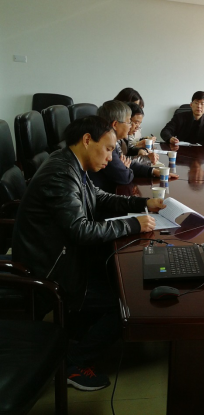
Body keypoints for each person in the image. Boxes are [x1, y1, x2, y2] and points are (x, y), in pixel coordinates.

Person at [12, 116, 164, 391]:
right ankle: (72, 363)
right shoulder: (61, 173)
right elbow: (80, 230)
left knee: (118, 278)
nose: (111, 157)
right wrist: (134, 223)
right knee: (127, 305)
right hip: (51, 269)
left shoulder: (70, 163)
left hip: (61, 256)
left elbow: (99, 197)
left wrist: (144, 203)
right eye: (108, 149)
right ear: (86, 140)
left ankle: (78, 331)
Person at [90, 101, 178, 193]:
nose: (131, 126)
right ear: (115, 124)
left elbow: (127, 163)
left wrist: (153, 171)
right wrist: (126, 169)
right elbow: (124, 177)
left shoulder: (112, 142)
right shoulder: (106, 146)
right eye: (129, 122)